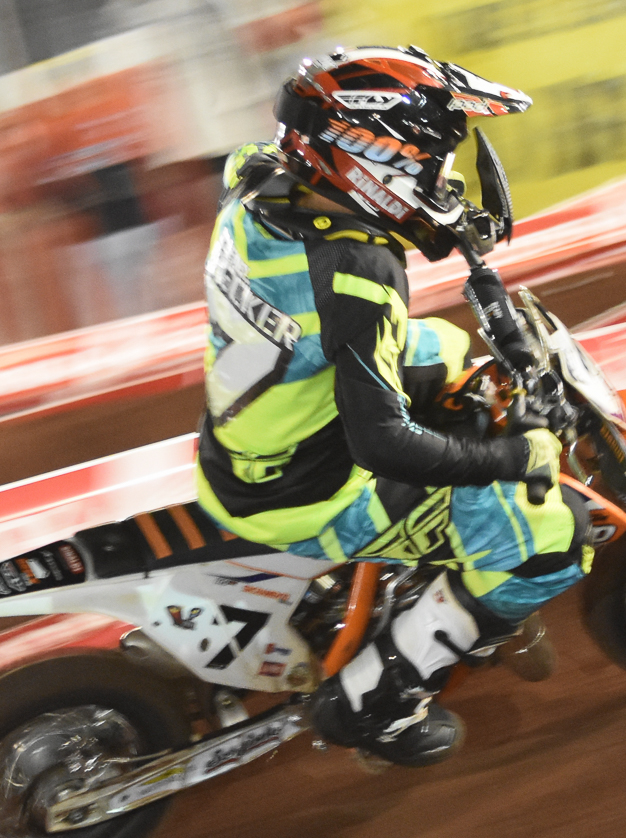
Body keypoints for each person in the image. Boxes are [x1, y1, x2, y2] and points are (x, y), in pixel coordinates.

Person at [193, 46, 587, 768]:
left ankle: (423, 593)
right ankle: (375, 707)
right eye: (430, 160)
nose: (441, 175)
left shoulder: (256, 176)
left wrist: (435, 215)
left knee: (446, 348)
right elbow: (383, 444)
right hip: (306, 493)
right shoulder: (359, 273)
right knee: (550, 545)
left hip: (255, 423)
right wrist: (514, 455)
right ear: (373, 159)